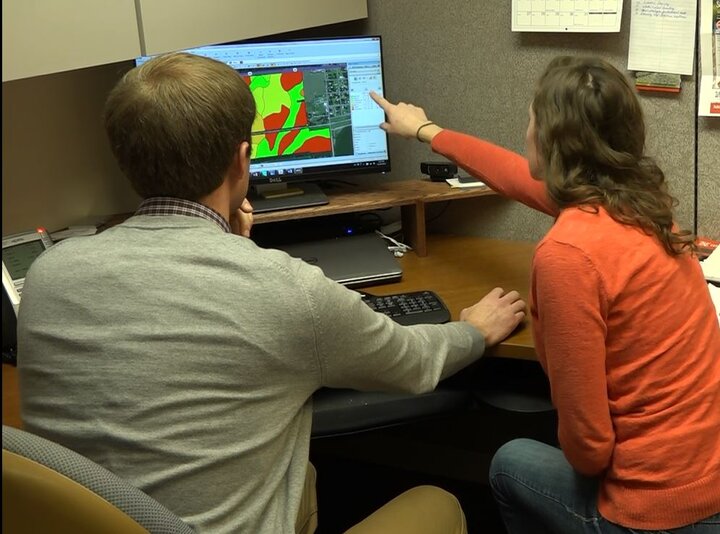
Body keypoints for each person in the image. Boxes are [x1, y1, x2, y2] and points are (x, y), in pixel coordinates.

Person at [15, 52, 527, 534]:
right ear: (242, 160)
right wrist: (473, 331)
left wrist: (230, 250)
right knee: (438, 505)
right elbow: (413, 362)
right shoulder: (283, 289)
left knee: (302, 475)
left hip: (102, 519)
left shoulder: (48, 276)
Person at [370, 55, 720, 533]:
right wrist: (428, 130)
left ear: (553, 144)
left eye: (532, 119)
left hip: (654, 510)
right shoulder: (640, 201)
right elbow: (516, 175)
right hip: (708, 475)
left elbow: (590, 450)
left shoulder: (568, 255)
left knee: (510, 462)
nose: (526, 129)